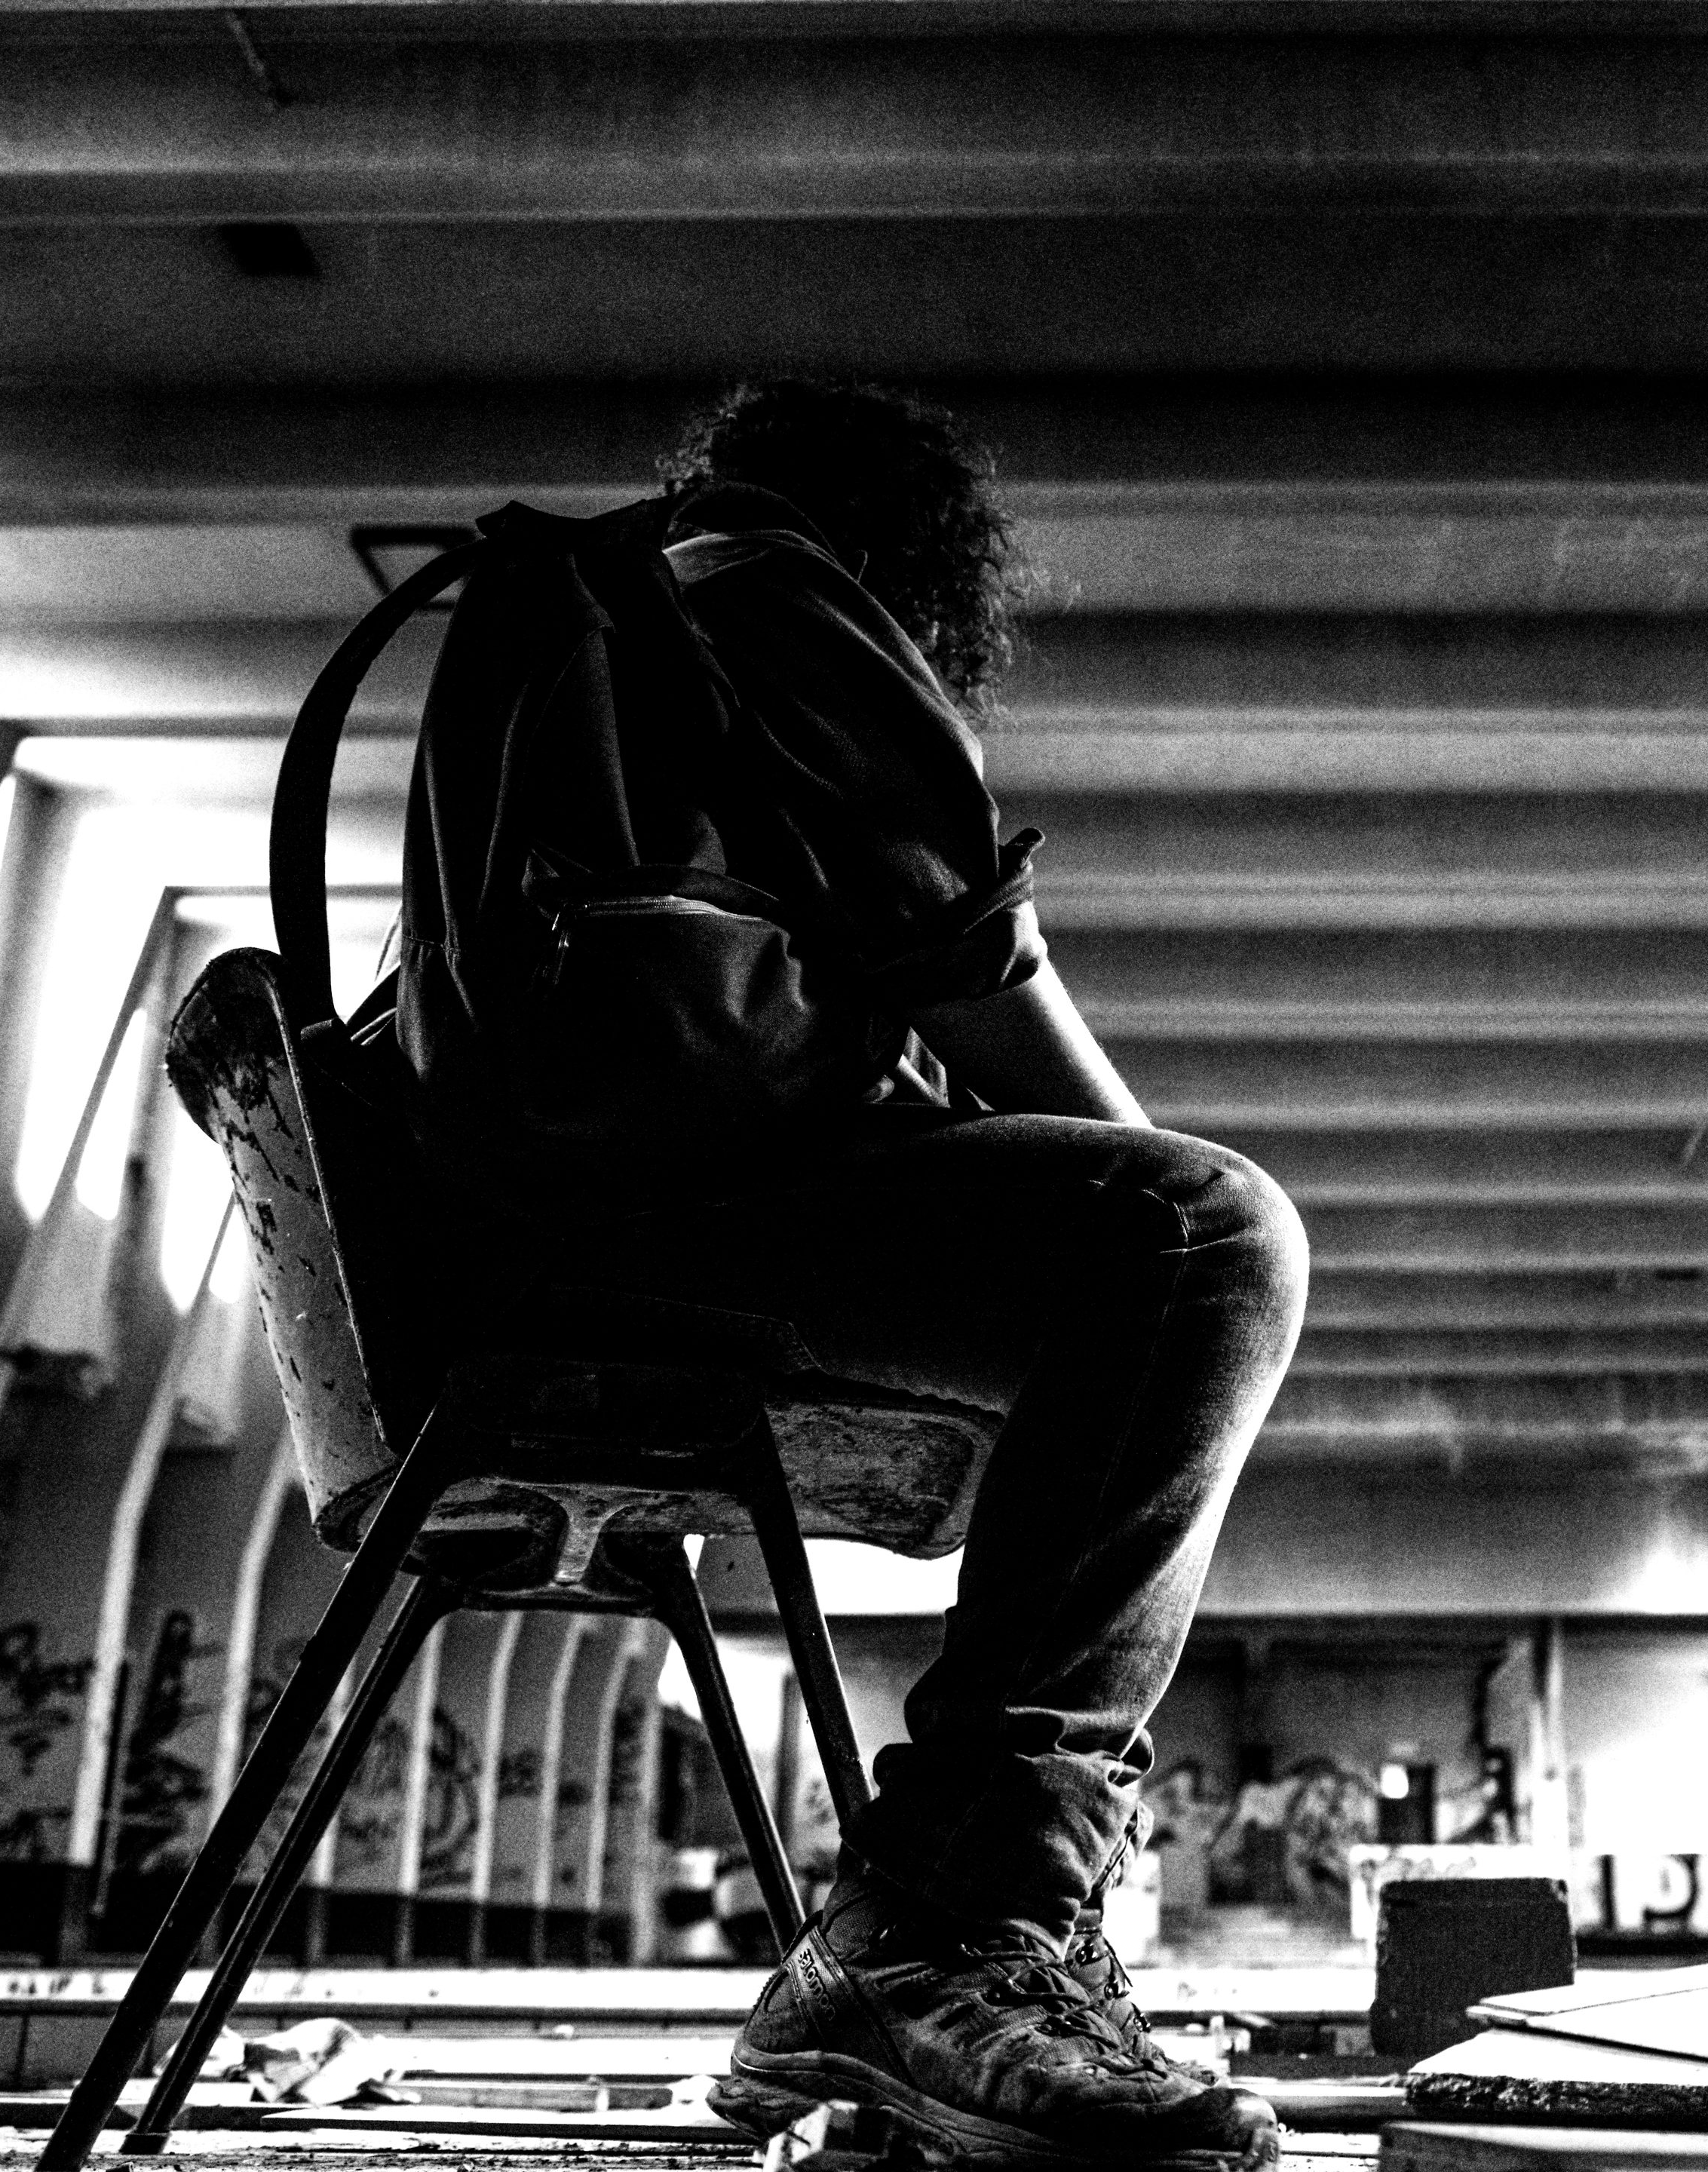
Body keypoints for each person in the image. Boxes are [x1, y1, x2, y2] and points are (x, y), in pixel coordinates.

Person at [477, 382, 1307, 2169]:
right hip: (660, 1224)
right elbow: (963, 956)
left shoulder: (589, 637)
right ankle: (957, 1932)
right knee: (1212, 1240)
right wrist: (1201, 1234)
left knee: (1180, 1253)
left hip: (529, 1234)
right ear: (921, 552)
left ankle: (890, 1959)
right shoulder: (760, 580)